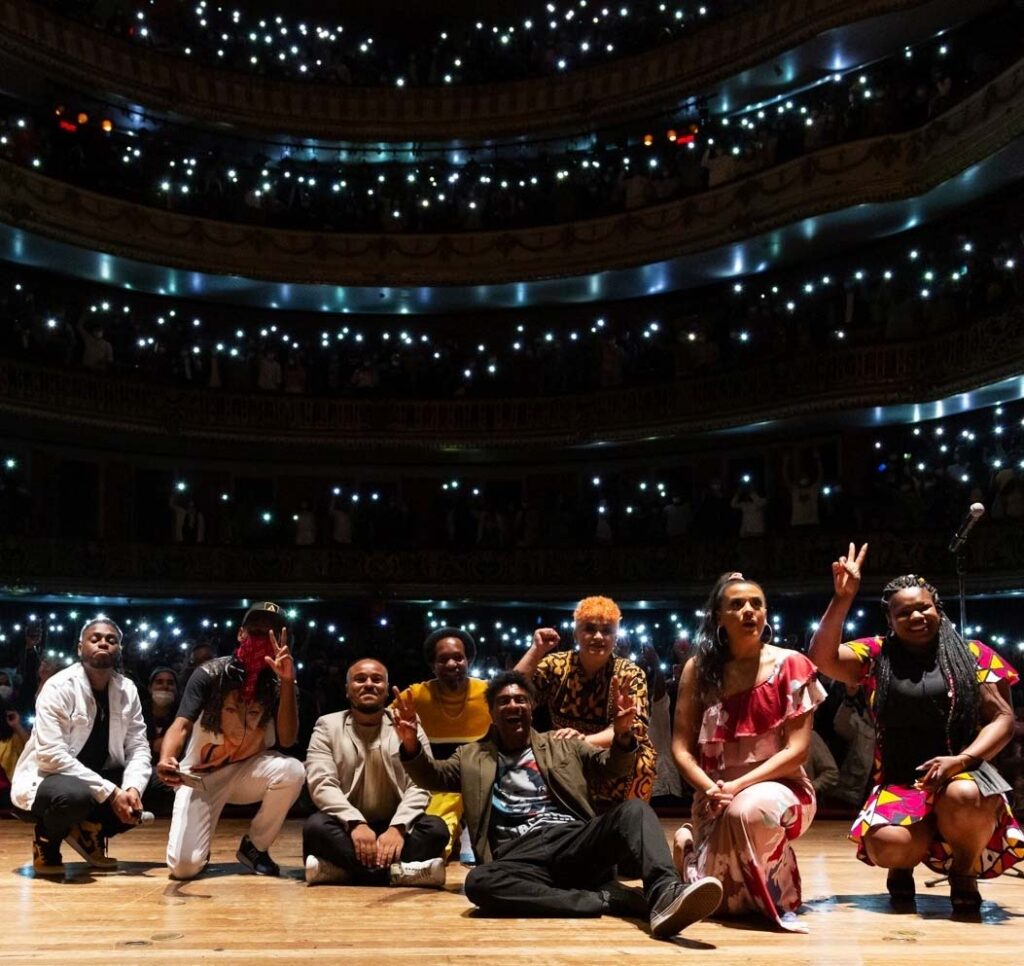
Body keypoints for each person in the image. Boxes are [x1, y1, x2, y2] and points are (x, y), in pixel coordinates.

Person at [395, 670, 721, 937]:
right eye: (504, 701)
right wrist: (410, 743)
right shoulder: (471, 756)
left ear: (531, 706)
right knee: (479, 883)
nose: (513, 705)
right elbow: (432, 778)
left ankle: (664, 894)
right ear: (492, 711)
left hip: (571, 840)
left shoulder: (562, 744)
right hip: (519, 855)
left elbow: (613, 768)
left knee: (635, 810)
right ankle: (602, 900)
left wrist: (622, 735)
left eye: (520, 699)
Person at [809, 544, 1024, 913]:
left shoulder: (973, 655)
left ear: (937, 609)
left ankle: (963, 871)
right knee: (888, 844)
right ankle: (902, 865)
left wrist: (962, 760)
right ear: (889, 621)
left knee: (964, 798)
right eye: (903, 612)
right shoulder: (878, 656)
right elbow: (822, 659)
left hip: (965, 775)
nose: (916, 615)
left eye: (923, 607)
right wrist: (843, 599)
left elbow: (1003, 719)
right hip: (902, 779)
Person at [671, 572, 825, 931]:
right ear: (718, 617)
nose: (748, 610)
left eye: (756, 603)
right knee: (719, 904)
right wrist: (710, 788)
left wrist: (736, 788)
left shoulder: (792, 664)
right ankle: (692, 855)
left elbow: (798, 751)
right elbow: (680, 748)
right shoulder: (699, 670)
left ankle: (779, 892)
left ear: (767, 613)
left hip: (784, 790)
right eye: (736, 604)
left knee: (750, 810)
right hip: (715, 795)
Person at [157, 602, 305, 879]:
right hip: (202, 775)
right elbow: (181, 723)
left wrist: (286, 683)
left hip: (247, 771)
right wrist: (167, 758)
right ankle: (198, 849)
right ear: (240, 634)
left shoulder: (279, 682)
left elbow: (287, 739)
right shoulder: (209, 673)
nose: (261, 636)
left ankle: (255, 846)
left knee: (293, 770)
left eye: (271, 632)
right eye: (255, 630)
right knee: (183, 868)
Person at [10, 619, 151, 875]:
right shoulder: (58, 687)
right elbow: (51, 756)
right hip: (52, 780)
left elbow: (138, 746)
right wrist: (111, 793)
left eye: (111, 639)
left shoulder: (127, 689)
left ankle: (89, 830)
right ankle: (47, 842)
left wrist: (132, 788)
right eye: (95, 638)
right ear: (79, 648)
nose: (103, 642)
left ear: (119, 649)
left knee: (154, 786)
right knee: (74, 797)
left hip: (100, 777)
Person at [302, 658, 448, 887]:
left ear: (386, 690)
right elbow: (322, 783)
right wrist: (355, 823)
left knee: (436, 830)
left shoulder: (408, 724)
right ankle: (401, 873)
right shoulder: (327, 726)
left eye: (377, 680)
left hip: (393, 827)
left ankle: (342, 873)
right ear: (348, 690)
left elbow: (421, 783)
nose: (369, 684)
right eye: (360, 679)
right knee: (316, 827)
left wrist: (398, 827)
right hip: (347, 828)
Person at [515, 596, 656, 810]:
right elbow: (511, 695)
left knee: (639, 762)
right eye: (589, 629)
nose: (598, 636)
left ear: (616, 637)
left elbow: (633, 729)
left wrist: (583, 740)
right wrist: (536, 650)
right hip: (566, 756)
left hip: (615, 753)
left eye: (607, 630)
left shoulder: (630, 673)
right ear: (575, 634)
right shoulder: (556, 665)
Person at [392, 627, 491, 861]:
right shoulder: (416, 695)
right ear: (432, 665)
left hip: (480, 782)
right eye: (443, 659)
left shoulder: (487, 692)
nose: (451, 664)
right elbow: (384, 727)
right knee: (441, 818)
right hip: (435, 783)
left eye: (458, 657)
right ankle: (434, 855)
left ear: (468, 660)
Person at [142, 666, 180, 816]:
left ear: (176, 689)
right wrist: (152, 745)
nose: (165, 686)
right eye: (159, 682)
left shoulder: (183, 714)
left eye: (170, 683)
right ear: (150, 687)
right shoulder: (137, 710)